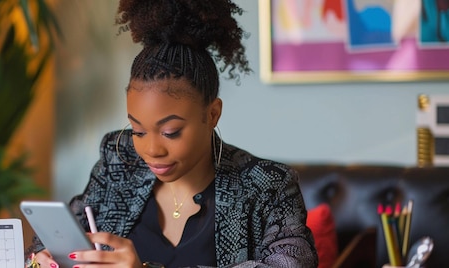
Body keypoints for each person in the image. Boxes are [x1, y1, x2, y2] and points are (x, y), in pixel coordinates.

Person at [25, 0, 318, 267]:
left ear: (212, 114)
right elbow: (53, 240)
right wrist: (46, 258)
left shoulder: (269, 186)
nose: (151, 150)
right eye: (138, 130)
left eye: (170, 132)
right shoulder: (119, 161)